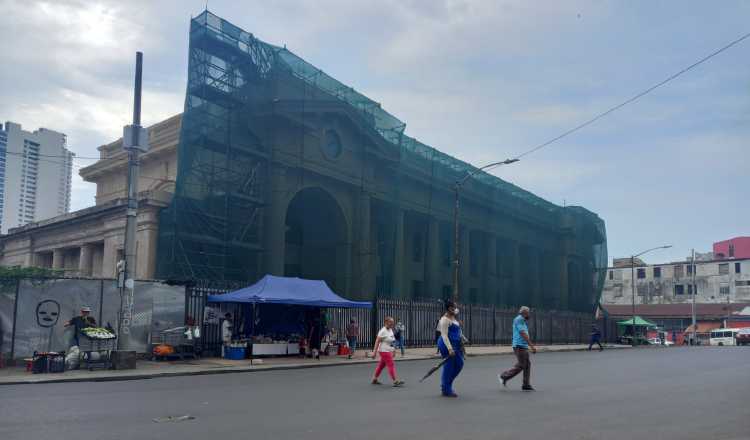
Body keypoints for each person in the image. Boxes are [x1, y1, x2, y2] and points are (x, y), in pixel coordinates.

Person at [499, 306, 537, 391]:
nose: (529, 314)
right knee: (521, 365)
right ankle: (504, 376)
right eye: (528, 312)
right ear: (524, 313)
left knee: (526, 364)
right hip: (519, 346)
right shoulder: (519, 319)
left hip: (522, 346)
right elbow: (523, 333)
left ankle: (526, 384)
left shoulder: (522, 320)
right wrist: (532, 346)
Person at [437, 300, 466, 398]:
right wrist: (450, 349)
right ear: (449, 309)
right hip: (446, 345)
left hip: (456, 344)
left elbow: (458, 329)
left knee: (459, 364)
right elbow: (444, 335)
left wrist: (462, 337)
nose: (456, 309)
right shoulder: (444, 320)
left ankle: (446, 384)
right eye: (454, 307)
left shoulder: (454, 314)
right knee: (448, 366)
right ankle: (446, 388)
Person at [370, 316, 404, 387]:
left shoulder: (390, 330)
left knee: (381, 365)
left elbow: (393, 340)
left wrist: (394, 350)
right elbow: (377, 342)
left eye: (393, 322)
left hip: (388, 350)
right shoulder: (382, 331)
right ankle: (395, 381)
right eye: (391, 322)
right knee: (391, 364)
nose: (392, 324)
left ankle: (374, 379)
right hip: (383, 350)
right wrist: (374, 352)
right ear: (386, 322)